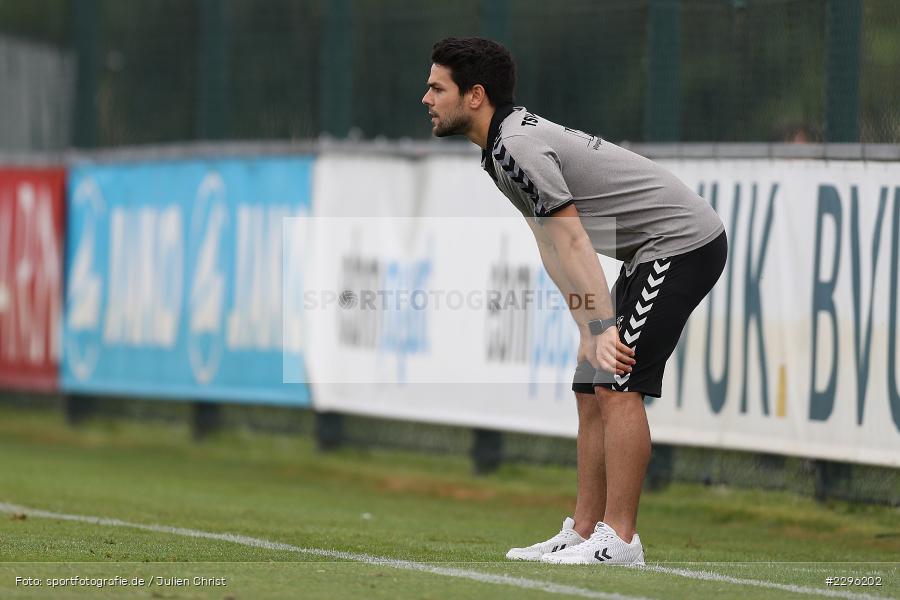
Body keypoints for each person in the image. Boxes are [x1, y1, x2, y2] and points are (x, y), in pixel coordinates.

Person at [422, 37, 727, 566]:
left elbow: (574, 241)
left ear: (475, 95)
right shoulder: (500, 150)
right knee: (591, 386)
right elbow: (549, 243)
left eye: (436, 87)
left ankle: (621, 539)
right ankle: (586, 531)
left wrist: (604, 324)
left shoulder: (515, 146)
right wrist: (588, 326)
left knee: (617, 383)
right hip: (646, 253)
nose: (426, 98)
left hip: (681, 244)